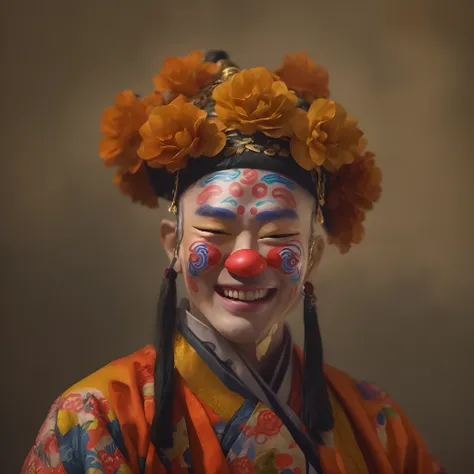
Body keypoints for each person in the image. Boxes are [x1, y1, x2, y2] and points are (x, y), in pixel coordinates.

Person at [22, 50, 447, 474]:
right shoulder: (95, 420)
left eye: (278, 235)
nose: (245, 261)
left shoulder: (377, 425)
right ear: (174, 243)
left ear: (313, 256)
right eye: (215, 232)